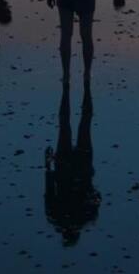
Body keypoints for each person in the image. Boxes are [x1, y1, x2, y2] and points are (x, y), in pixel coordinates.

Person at [44, 75, 99, 244]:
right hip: (66, 168)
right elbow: (49, 187)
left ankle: (72, 89)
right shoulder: (55, 217)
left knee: (83, 123)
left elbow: (96, 195)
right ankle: (81, 87)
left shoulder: (86, 217)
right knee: (66, 125)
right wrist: (48, 164)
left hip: (80, 169)